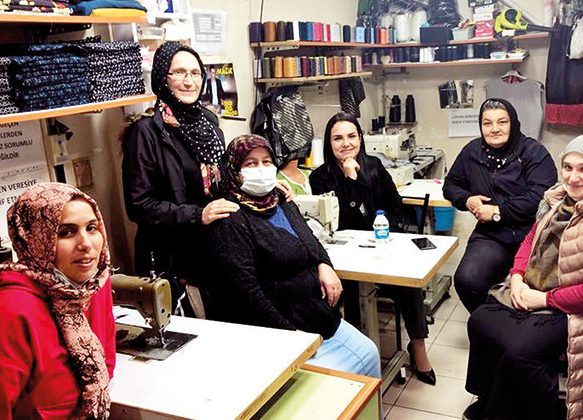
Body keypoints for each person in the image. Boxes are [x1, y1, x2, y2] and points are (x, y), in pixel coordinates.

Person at [462, 135, 583, 420]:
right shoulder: (558, 199)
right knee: (480, 321)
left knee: (520, 351)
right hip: (537, 289)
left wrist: (542, 299)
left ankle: (540, 413)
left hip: (576, 307)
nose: (573, 177)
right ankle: (490, 398)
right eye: (568, 167)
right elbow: (530, 240)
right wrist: (517, 277)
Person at [122, 42, 292, 316]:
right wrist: (197, 215)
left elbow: (221, 184)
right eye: (179, 72)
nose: (189, 82)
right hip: (171, 259)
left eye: (195, 73)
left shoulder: (209, 126)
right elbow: (139, 206)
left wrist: (264, 186)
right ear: (162, 77)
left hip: (213, 248)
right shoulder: (146, 133)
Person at [207, 134, 380, 378]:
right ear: (235, 171)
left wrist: (324, 264)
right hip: (284, 331)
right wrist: (289, 333)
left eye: (267, 161)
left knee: (369, 353)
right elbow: (245, 291)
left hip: (319, 317)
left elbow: (309, 238)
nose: (261, 169)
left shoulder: (280, 200)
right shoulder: (231, 218)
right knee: (337, 385)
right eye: (251, 163)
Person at [0, 182, 116, 419]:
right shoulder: (4, 317)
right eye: (65, 232)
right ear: (34, 239)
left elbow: (106, 363)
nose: (86, 244)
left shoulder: (92, 288)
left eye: (92, 227)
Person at [309, 112, 435, 385]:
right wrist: (351, 179)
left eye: (351, 136)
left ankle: (418, 347)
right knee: (347, 292)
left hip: (381, 245)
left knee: (408, 284)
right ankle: (359, 355)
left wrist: (388, 231)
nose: (346, 143)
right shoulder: (320, 177)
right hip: (347, 253)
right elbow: (341, 221)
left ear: (360, 138)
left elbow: (396, 205)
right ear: (329, 143)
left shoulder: (375, 165)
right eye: (338, 138)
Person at [443, 98, 557, 313]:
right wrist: (467, 199)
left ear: (513, 123)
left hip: (533, 235)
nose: (495, 129)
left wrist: (497, 211)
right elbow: (450, 185)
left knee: (535, 294)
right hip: (493, 235)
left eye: (502, 122)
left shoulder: (534, 152)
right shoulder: (472, 151)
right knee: (467, 281)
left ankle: (514, 324)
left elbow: (539, 197)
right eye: (487, 123)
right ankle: (489, 321)